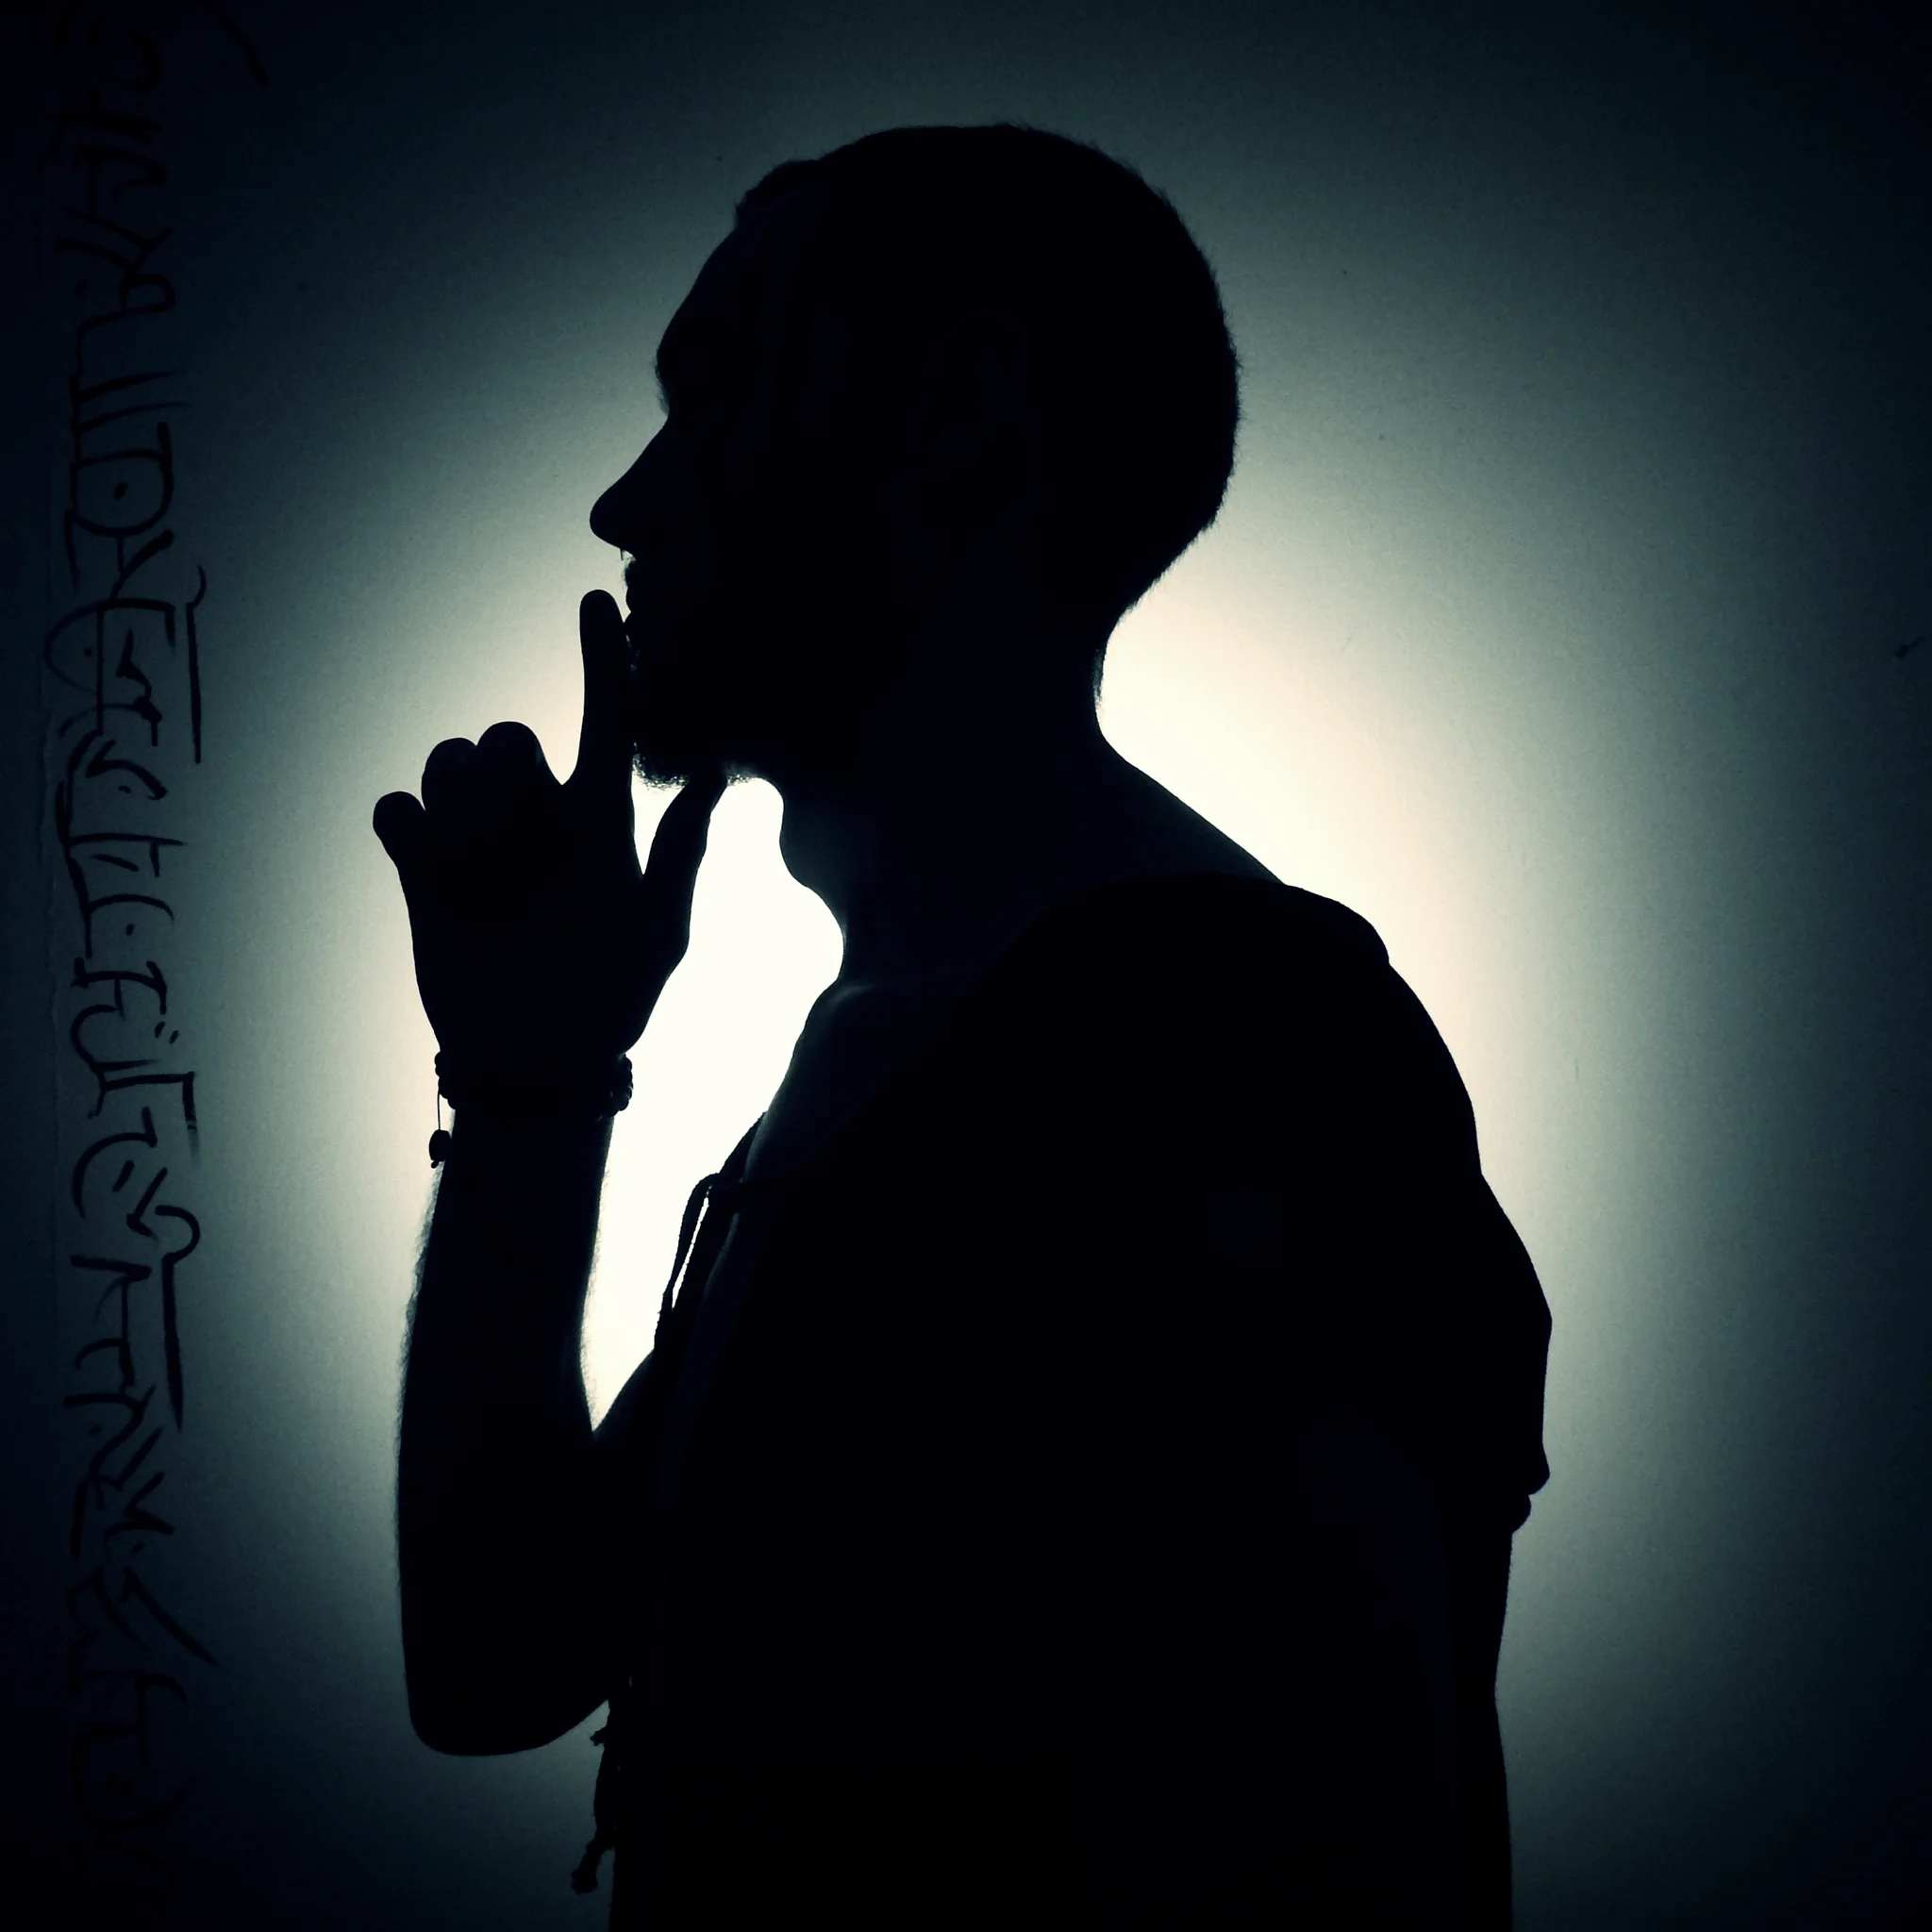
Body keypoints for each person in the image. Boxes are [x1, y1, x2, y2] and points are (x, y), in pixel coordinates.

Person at [373, 124, 1552, 1928]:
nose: (627, 502)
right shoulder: (907, 1061)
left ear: (962, 409)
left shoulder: (1209, 1058)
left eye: (714, 392)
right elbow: (498, 1654)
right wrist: (531, 1087)